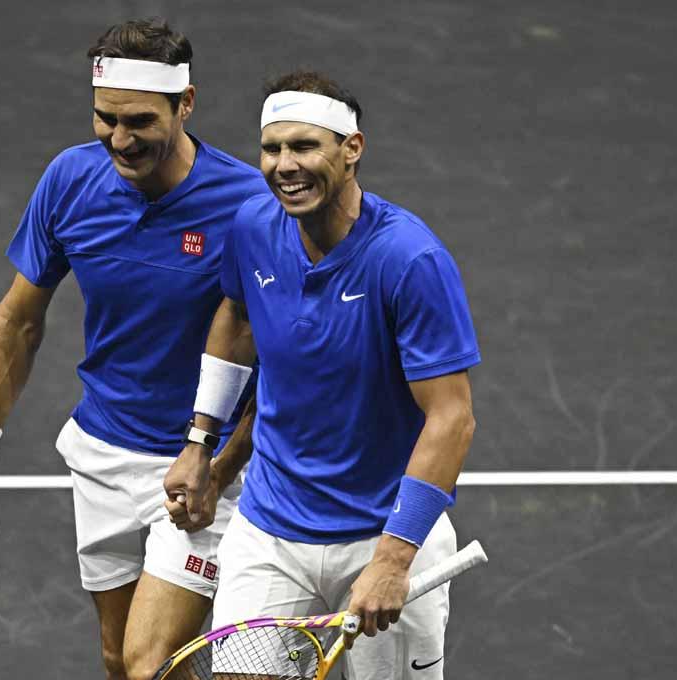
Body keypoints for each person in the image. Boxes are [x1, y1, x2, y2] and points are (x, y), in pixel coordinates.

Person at [0, 19, 267, 680]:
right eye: (105, 119)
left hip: (201, 466)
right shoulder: (69, 182)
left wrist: (221, 463)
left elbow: (283, 362)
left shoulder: (246, 207)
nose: (120, 139)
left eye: (140, 121)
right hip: (102, 459)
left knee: (150, 663)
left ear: (187, 104)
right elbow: (18, 323)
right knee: (121, 662)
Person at [163, 70, 480, 679]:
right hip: (270, 531)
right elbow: (235, 318)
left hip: (382, 533)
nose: (286, 165)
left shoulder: (409, 260)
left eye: (305, 146)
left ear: (351, 149)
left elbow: (452, 417)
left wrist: (393, 557)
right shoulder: (254, 227)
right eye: (273, 148)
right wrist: (203, 444)